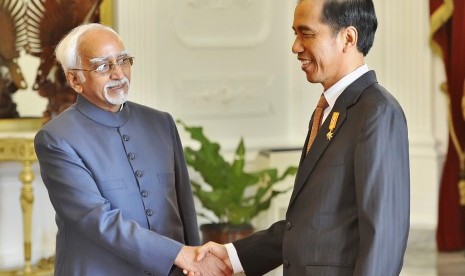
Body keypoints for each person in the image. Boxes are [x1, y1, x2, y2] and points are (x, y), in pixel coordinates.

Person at [197, 0, 410, 275]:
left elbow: (384, 237)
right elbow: (306, 224)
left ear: (348, 38)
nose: (295, 46)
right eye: (295, 33)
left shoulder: (378, 112)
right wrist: (231, 256)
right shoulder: (328, 109)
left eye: (306, 33)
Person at [34, 23, 230, 276]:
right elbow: (96, 219)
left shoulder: (161, 123)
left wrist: (197, 260)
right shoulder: (56, 138)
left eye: (123, 61)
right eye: (103, 66)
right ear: (74, 79)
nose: (118, 74)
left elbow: (184, 207)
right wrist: (181, 255)